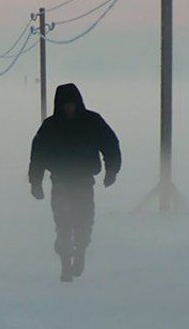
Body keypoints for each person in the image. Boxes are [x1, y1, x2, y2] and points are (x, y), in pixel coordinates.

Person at [28, 83, 121, 282]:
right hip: (60, 182)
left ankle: (80, 252)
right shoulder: (50, 126)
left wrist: (111, 170)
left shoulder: (91, 121)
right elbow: (38, 154)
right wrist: (35, 182)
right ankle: (65, 266)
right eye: (65, 105)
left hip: (84, 182)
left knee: (84, 222)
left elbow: (110, 143)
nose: (69, 108)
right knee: (63, 223)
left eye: (72, 104)